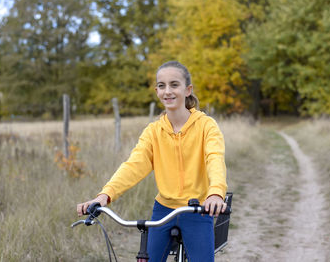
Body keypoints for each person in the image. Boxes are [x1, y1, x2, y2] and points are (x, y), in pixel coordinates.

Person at [77, 61, 227, 261]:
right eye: (162, 86)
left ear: (188, 89)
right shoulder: (153, 132)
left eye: (174, 85)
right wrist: (105, 195)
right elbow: (134, 165)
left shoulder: (206, 126)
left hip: (197, 209)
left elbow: (214, 158)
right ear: (157, 91)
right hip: (163, 208)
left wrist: (215, 193)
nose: (168, 91)